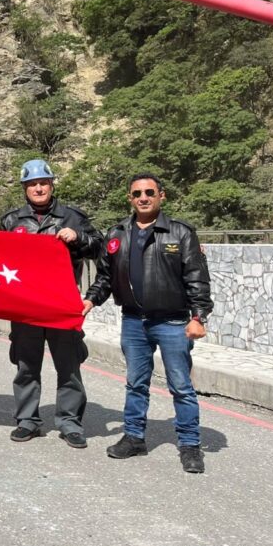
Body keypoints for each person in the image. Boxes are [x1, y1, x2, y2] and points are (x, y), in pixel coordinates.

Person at [82, 173, 212, 473]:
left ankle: (191, 445)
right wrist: (89, 300)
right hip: (133, 321)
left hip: (173, 322)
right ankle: (134, 438)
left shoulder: (180, 233)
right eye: (137, 193)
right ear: (130, 198)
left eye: (149, 192)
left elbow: (197, 278)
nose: (143, 197)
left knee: (181, 386)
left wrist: (198, 317)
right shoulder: (116, 234)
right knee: (135, 383)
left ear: (161, 196)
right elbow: (104, 278)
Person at [0, 159, 103, 449]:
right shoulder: (11, 221)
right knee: (26, 366)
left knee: (68, 367)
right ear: (24, 188)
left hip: (62, 305)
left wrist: (79, 237)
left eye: (43, 182)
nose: (38, 188)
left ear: (52, 184)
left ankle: (70, 422)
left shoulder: (73, 217)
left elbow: (100, 249)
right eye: (32, 184)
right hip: (25, 306)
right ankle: (27, 421)